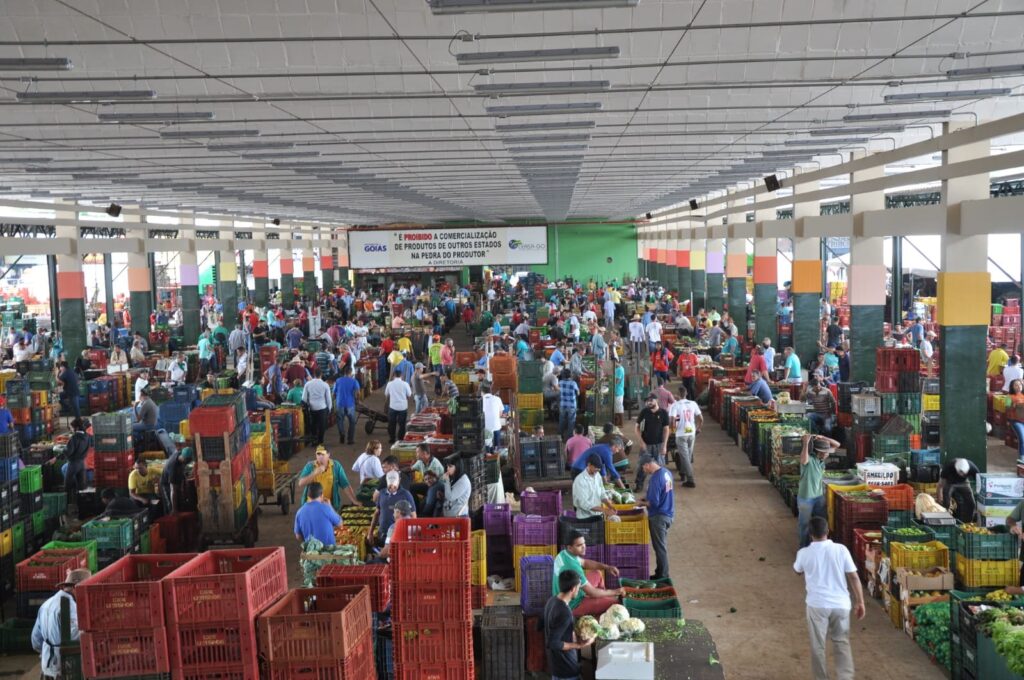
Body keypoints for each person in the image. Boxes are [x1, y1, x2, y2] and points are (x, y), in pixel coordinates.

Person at [793, 517, 864, 680]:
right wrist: (860, 601)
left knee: (818, 646)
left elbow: (797, 570)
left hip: (816, 605)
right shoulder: (841, 550)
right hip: (841, 605)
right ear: (828, 531)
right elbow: (853, 577)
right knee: (841, 642)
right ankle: (845, 677)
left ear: (810, 534)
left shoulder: (804, 553)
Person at [31, 568, 89, 678]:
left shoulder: (46, 604)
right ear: (76, 587)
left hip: (47, 667)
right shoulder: (70, 607)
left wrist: (47, 652)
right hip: (65, 668)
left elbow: (35, 640)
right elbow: (74, 636)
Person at [552, 531, 624, 617]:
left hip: (571, 590)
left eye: (584, 543)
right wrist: (616, 592)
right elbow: (592, 593)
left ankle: (601, 600)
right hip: (573, 604)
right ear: (570, 547)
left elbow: (585, 563)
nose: (584, 547)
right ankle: (600, 603)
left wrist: (607, 567)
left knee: (597, 573)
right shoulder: (572, 566)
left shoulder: (564, 553)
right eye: (579, 545)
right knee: (615, 603)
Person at [544, 570, 596, 680]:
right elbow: (553, 643)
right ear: (573, 589)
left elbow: (548, 626)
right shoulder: (564, 612)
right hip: (566, 668)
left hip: (556, 666)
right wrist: (579, 645)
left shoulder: (552, 600)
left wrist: (574, 632)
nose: (579, 590)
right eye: (578, 587)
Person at [797, 435, 840, 548]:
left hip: (819, 496)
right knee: (804, 524)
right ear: (818, 452)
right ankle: (804, 548)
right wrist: (806, 443)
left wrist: (824, 437)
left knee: (822, 522)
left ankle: (820, 546)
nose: (827, 454)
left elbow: (837, 445)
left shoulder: (821, 460)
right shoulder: (809, 460)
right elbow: (803, 459)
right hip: (806, 498)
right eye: (825, 452)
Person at [637, 453, 674, 579]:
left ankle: (663, 575)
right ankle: (659, 572)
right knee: (661, 545)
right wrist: (647, 497)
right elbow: (662, 493)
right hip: (668, 513)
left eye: (643, 468)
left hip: (659, 516)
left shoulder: (655, 479)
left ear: (647, 465)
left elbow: (653, 503)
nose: (643, 470)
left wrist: (641, 503)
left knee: (660, 547)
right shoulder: (666, 472)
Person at [298, 445, 358, 511]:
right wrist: (314, 473)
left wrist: (354, 501)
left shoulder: (336, 466)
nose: (320, 457)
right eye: (318, 454)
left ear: (328, 455)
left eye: (323, 454)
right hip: (311, 506)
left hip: (329, 505)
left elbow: (345, 485)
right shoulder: (310, 466)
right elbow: (301, 483)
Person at [667, 385, 703, 488]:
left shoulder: (675, 405)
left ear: (677, 395)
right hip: (691, 433)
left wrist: (673, 431)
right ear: (686, 393)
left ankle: (690, 480)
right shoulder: (693, 403)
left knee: (685, 457)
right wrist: (698, 428)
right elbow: (701, 418)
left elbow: (671, 420)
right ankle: (682, 473)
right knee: (687, 455)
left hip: (681, 434)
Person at [634, 393, 669, 492]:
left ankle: (660, 486)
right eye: (647, 401)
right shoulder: (644, 412)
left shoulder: (663, 413)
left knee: (660, 466)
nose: (648, 402)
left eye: (651, 400)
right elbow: (636, 428)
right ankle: (639, 484)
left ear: (656, 400)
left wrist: (664, 445)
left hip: (659, 445)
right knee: (642, 465)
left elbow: (666, 429)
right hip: (646, 445)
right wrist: (641, 442)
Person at [373, 470, 417, 543]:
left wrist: (411, 537)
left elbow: (413, 516)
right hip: (382, 533)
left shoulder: (406, 494)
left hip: (399, 534)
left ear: (399, 480)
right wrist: (370, 533)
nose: (392, 488)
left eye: (394, 486)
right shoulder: (382, 493)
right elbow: (377, 513)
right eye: (390, 486)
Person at [572, 454, 618, 519]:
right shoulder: (580, 481)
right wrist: (604, 510)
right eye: (595, 469)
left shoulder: (597, 475)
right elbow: (584, 504)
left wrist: (609, 505)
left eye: (598, 470)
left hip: (598, 515)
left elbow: (602, 493)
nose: (596, 472)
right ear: (589, 464)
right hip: (585, 517)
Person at [938, 457, 979, 521]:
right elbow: (941, 484)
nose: (962, 474)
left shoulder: (973, 468)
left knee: (971, 503)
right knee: (946, 503)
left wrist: (980, 493)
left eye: (964, 473)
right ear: (956, 469)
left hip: (964, 482)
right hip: (950, 482)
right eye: (960, 473)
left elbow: (980, 482)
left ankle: (968, 521)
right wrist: (940, 495)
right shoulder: (949, 466)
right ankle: (946, 520)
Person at [63, 417, 91, 506]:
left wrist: (64, 450)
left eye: (71, 427)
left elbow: (68, 452)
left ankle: (68, 504)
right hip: (82, 464)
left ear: (76, 428)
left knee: (67, 485)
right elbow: (87, 448)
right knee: (82, 487)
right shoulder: (86, 436)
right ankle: (82, 507)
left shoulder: (74, 438)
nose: (71, 429)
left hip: (73, 464)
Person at [301, 370, 332, 446]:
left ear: (314, 374)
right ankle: (320, 441)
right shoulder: (325, 385)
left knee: (313, 424)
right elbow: (328, 399)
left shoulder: (308, 384)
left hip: (312, 408)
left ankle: (314, 440)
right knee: (322, 425)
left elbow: (304, 398)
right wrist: (329, 408)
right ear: (321, 375)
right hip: (322, 407)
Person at [332, 365, 360, 445]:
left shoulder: (338, 380)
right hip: (350, 404)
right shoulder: (354, 381)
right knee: (352, 422)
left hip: (339, 404)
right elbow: (358, 392)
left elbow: (334, 394)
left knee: (340, 420)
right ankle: (350, 439)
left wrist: (334, 401)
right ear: (351, 373)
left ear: (344, 372)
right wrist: (357, 400)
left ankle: (342, 434)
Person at [160, 446, 192, 514]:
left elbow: (182, 470)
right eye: (187, 461)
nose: (188, 463)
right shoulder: (173, 467)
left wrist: (185, 480)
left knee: (180, 502)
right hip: (166, 485)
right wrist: (174, 509)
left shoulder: (181, 454)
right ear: (183, 458)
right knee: (171, 506)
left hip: (176, 479)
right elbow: (173, 490)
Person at [384, 372, 412, 444]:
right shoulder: (405, 384)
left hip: (393, 406)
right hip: (403, 407)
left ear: (394, 376)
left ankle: (392, 438)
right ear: (401, 376)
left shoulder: (390, 384)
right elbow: (409, 394)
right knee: (402, 424)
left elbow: (386, 394)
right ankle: (400, 439)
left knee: (392, 423)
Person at [557, 370, 579, 442]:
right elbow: (578, 393)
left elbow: (558, 390)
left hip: (563, 405)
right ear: (570, 375)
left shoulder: (560, 382)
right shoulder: (573, 383)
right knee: (571, 422)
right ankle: (569, 439)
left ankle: (559, 436)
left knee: (562, 420)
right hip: (572, 405)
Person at [481, 384, 505, 448]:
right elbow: (500, 413)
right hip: (496, 426)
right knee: (497, 446)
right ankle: (496, 451)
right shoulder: (497, 399)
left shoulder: (480, 400)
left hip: (486, 428)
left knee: (487, 446)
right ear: (490, 391)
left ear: (482, 392)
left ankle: (489, 453)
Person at [1007, 379, 1024, 460]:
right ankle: (1021, 458)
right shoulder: (1009, 396)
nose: (1018, 386)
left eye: (1020, 385)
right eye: (1016, 385)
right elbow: (1006, 408)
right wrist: (1012, 406)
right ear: (1012, 387)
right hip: (1016, 421)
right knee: (1022, 438)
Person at [612, 356, 625, 426]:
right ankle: (618, 423)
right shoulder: (617, 368)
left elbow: (617, 381)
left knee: (619, 408)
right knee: (617, 408)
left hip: (618, 391)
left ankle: (621, 423)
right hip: (616, 391)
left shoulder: (620, 369)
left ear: (616, 362)